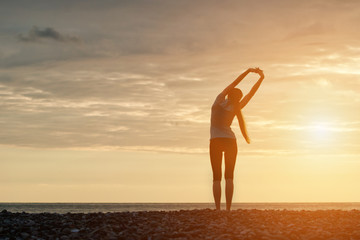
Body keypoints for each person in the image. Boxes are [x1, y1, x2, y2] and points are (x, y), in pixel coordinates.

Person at [210, 67, 265, 211]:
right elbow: (251, 93)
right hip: (230, 141)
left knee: (216, 177)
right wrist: (261, 78)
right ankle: (228, 209)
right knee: (229, 176)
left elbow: (234, 83)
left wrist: (247, 72)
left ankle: (217, 209)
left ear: (228, 94)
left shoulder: (218, 101)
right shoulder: (237, 107)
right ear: (238, 98)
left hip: (215, 141)